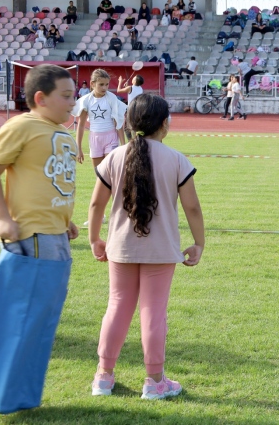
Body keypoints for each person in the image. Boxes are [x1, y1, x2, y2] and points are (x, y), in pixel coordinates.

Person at [88, 93, 204, 400]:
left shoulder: (114, 156)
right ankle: (154, 381)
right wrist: (199, 243)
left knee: (117, 307)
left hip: (120, 248)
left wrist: (94, 239)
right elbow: (192, 208)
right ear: (165, 125)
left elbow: (95, 203)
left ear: (128, 122)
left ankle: (103, 376)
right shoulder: (177, 159)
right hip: (161, 250)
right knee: (154, 312)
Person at [0, 64, 78, 413]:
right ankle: (2, 393)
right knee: (22, 318)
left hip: (55, 235)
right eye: (66, 95)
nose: (73, 101)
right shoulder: (22, 125)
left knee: (40, 322)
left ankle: (19, 393)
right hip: (32, 236)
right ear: (40, 97)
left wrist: (66, 220)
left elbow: (52, 181)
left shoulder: (61, 131)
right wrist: (2, 218)